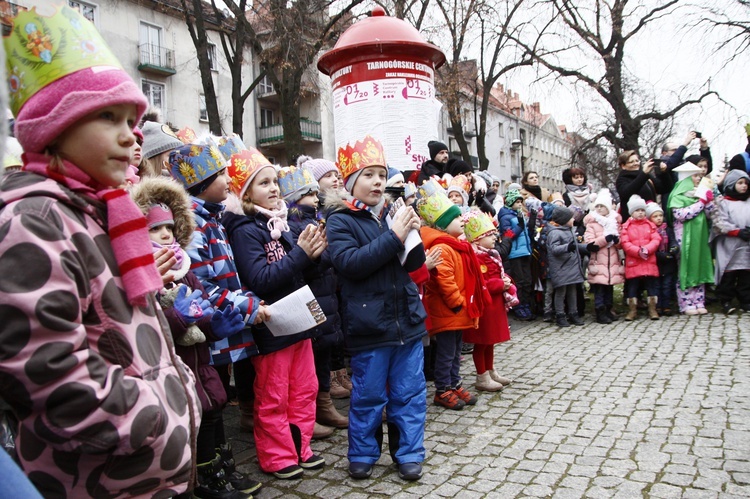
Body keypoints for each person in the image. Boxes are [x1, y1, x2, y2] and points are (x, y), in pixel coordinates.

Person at [0, 5, 199, 496]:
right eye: (107, 116)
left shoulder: (101, 210)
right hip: (95, 480)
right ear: (54, 127)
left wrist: (179, 391)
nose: (130, 134)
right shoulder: (34, 221)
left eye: (130, 119)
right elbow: (47, 371)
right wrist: (150, 416)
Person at [132, 176, 262, 498]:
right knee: (196, 419)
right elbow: (152, 324)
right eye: (154, 229)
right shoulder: (145, 273)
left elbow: (202, 305)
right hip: (175, 367)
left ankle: (222, 469)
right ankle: (204, 479)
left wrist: (217, 326)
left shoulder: (184, 267)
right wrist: (179, 318)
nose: (165, 234)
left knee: (215, 407)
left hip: (201, 361)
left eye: (169, 228)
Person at [326, 135, 428, 482]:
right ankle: (363, 454)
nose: (377, 182)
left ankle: (409, 453)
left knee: (409, 394)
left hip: (408, 323)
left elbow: (415, 266)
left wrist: (412, 235)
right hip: (370, 325)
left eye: (381, 176)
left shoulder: (392, 213)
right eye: (368, 175)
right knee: (368, 397)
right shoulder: (340, 220)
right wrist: (394, 236)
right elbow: (350, 263)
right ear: (352, 182)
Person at [223, 149, 327, 480]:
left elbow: (300, 269)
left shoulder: (280, 222)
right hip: (272, 328)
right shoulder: (245, 229)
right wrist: (300, 255)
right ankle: (276, 456)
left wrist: (316, 255)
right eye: (263, 183)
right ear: (245, 191)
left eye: (274, 182)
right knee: (275, 395)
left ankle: (300, 448)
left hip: (299, 323)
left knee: (305, 388)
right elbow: (260, 279)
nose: (273, 188)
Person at [170, 140, 265, 439]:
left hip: (222, 322)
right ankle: (211, 460)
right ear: (202, 182)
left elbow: (228, 276)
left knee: (219, 391)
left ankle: (220, 456)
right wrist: (247, 307)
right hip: (210, 327)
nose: (228, 181)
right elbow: (202, 285)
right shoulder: (195, 224)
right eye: (221, 174)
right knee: (213, 394)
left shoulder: (212, 218)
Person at [278, 165, 349, 432]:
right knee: (313, 355)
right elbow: (314, 260)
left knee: (323, 352)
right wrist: (322, 252)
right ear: (296, 197)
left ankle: (323, 403)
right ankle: (313, 409)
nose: (315, 197)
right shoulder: (295, 224)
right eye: (308, 193)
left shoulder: (313, 220)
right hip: (312, 292)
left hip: (325, 292)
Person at [418, 180, 488, 408]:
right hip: (450, 309)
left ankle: (454, 383)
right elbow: (444, 279)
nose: (462, 221)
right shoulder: (441, 247)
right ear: (445, 224)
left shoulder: (455, 245)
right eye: (457, 218)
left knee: (456, 351)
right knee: (447, 352)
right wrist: (458, 303)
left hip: (458, 310)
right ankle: (442, 389)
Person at [296, 155, 352, 399]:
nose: (336, 179)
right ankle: (325, 387)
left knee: (334, 332)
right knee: (322, 337)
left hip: (331, 282)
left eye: (336, 174)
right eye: (329, 176)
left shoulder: (332, 207)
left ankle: (337, 375)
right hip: (318, 283)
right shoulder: (311, 216)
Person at [462, 210, 513, 391]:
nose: (495, 237)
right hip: (485, 306)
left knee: (490, 341)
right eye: (489, 235)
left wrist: (505, 280)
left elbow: (496, 274)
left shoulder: (491, 254)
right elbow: (482, 283)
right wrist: (501, 284)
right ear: (477, 239)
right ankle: (481, 376)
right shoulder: (477, 257)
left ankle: (491, 370)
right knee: (482, 341)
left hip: (494, 304)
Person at [667, 163, 716, 315]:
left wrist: (709, 202)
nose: (697, 179)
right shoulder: (677, 196)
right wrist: (700, 203)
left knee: (699, 265)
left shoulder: (698, 193)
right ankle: (686, 302)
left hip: (700, 237)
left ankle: (699, 301)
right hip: (685, 238)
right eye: (695, 176)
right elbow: (682, 215)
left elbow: (710, 215)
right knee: (686, 268)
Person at [710, 170, 750, 313]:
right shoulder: (722, 202)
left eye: (746, 183)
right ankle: (726, 300)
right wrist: (737, 231)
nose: (744, 186)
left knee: (745, 275)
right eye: (740, 183)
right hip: (729, 245)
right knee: (728, 275)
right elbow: (719, 222)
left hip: (746, 245)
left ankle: (745, 300)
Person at [583, 189, 625, 324]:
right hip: (598, 261)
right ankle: (600, 311)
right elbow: (590, 244)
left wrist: (617, 241)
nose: (600, 209)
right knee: (600, 289)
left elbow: (620, 243)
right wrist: (605, 239)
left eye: (602, 206)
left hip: (612, 261)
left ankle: (608, 309)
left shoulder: (615, 223)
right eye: (598, 206)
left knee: (609, 288)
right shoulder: (592, 224)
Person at [545, 206, 592, 327]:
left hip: (571, 267)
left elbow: (574, 246)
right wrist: (567, 247)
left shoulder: (569, 230)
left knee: (572, 291)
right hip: (561, 267)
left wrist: (587, 247)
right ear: (563, 220)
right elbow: (554, 249)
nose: (573, 220)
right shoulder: (554, 232)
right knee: (561, 292)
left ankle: (573, 312)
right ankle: (560, 314)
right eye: (571, 218)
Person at [620, 195, 661, 320]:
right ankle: (632, 310)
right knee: (633, 287)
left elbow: (656, 239)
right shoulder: (626, 227)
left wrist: (647, 249)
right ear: (632, 212)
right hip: (634, 261)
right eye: (637, 210)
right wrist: (637, 251)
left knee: (651, 286)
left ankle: (652, 309)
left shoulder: (650, 225)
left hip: (648, 260)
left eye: (642, 210)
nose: (640, 213)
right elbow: (625, 243)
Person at [497, 189, 535, 320]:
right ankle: (519, 306)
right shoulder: (505, 217)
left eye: (521, 202)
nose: (520, 204)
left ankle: (526, 304)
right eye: (517, 202)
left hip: (525, 251)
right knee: (519, 281)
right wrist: (519, 226)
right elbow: (508, 235)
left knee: (527, 280)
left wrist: (531, 222)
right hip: (515, 253)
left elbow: (526, 234)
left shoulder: (519, 214)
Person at [615, 150, 674, 221]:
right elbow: (627, 192)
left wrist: (664, 172)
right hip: (632, 222)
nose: (635, 163)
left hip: (649, 219)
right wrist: (643, 174)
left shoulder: (646, 175)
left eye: (637, 161)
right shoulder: (622, 179)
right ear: (623, 166)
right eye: (631, 162)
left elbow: (665, 188)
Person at [648, 202, 679, 316]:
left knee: (667, 285)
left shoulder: (668, 230)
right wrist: (660, 255)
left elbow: (672, 240)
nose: (659, 218)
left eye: (660, 216)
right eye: (655, 216)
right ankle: (657, 305)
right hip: (656, 262)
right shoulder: (650, 231)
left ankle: (666, 305)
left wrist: (674, 248)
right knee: (656, 286)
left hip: (668, 263)